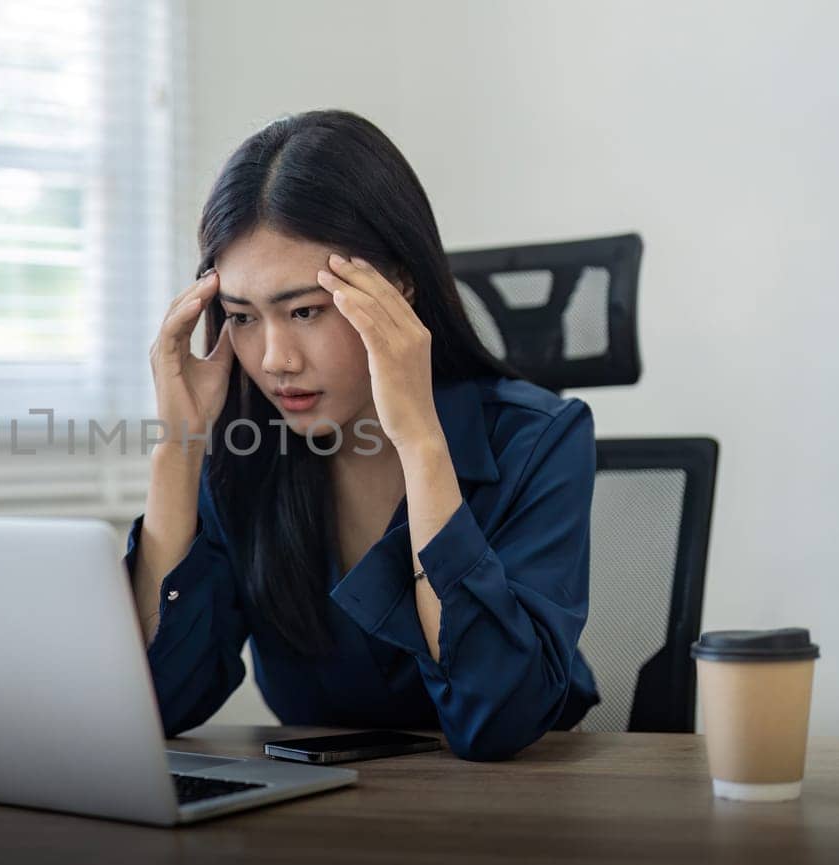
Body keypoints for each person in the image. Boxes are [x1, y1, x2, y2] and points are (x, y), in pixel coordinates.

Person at [124, 109, 600, 762]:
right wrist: (176, 454)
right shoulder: (243, 449)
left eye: (306, 311)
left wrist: (422, 446)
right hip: (315, 814)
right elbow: (156, 705)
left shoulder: (538, 438)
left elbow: (496, 720)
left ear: (398, 282)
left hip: (513, 813)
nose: (275, 359)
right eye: (242, 317)